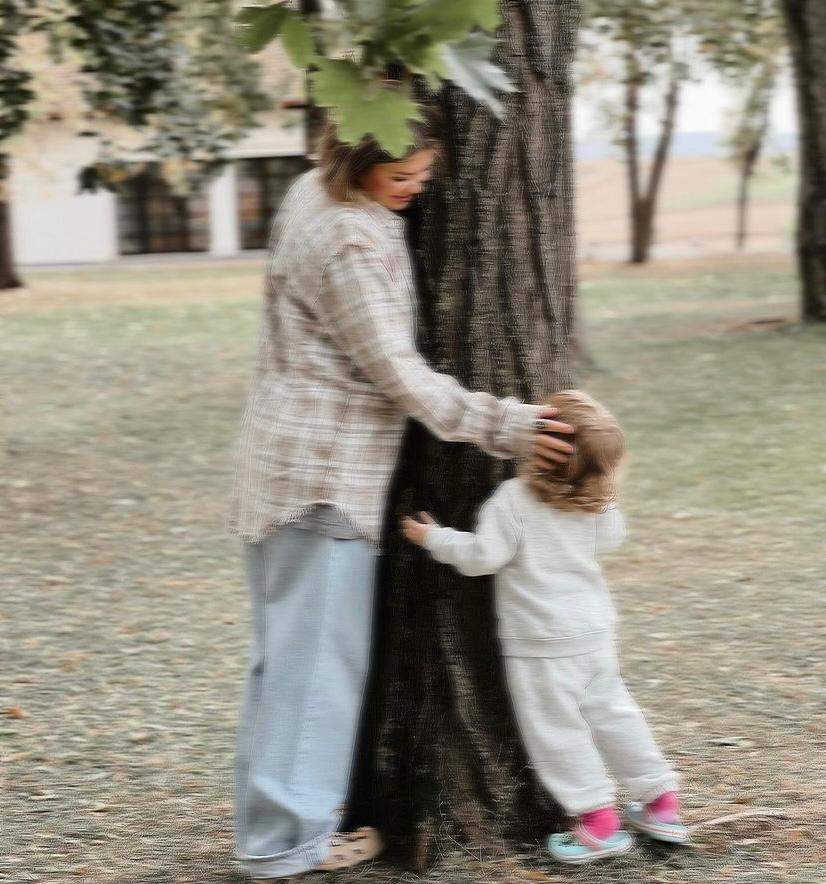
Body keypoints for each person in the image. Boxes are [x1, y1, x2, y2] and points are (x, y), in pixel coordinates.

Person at [227, 113, 576, 881]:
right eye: (401, 178)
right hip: (323, 472)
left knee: (285, 661)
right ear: (355, 158)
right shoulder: (349, 242)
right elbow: (402, 375)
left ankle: (269, 832)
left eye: (425, 176)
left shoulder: (310, 192)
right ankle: (289, 843)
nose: (417, 192)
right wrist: (507, 425)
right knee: (317, 665)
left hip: (282, 461)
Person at [402, 389, 688, 865]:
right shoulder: (596, 506)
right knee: (614, 714)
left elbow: (481, 558)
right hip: (594, 633)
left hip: (540, 643)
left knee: (557, 731)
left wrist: (434, 537)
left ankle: (596, 820)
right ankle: (660, 800)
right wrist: (603, 492)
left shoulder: (512, 501)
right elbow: (613, 537)